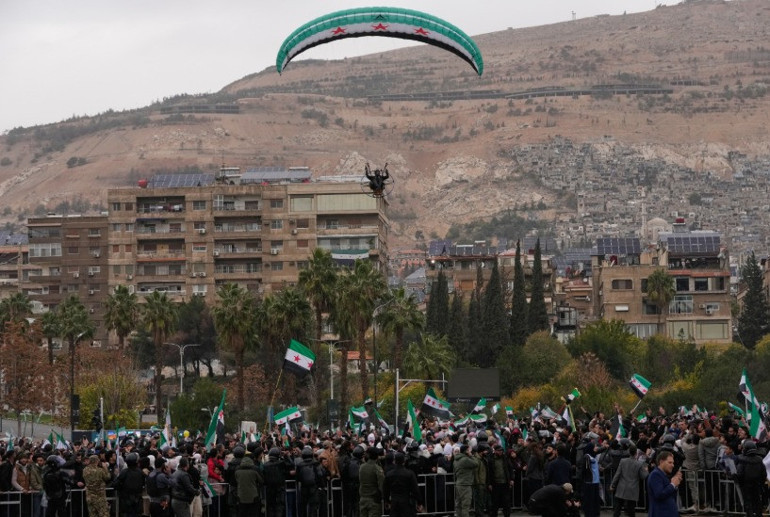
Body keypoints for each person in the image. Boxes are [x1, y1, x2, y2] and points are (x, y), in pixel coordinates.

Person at [610, 444, 648, 517]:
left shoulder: (623, 461)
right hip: (632, 489)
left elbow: (617, 474)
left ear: (629, 452)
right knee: (631, 511)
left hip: (621, 487)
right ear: (636, 453)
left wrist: (612, 485)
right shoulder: (639, 464)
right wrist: (646, 470)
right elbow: (643, 476)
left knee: (617, 509)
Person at [383, 452, 423, 517]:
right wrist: (419, 502)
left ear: (394, 461)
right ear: (404, 461)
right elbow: (415, 489)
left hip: (394, 502)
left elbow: (386, 489)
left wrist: (387, 501)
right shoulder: (409, 474)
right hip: (406, 502)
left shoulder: (389, 474)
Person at [647, 450, 682, 517]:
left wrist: (676, 484)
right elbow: (659, 494)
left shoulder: (663, 474)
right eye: (670, 462)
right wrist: (673, 484)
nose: (672, 465)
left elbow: (669, 494)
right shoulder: (655, 475)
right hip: (661, 513)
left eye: (673, 463)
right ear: (661, 462)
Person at [735, 440, 765, 517]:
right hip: (757, 485)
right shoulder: (759, 460)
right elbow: (763, 474)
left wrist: (740, 483)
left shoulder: (742, 460)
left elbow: (740, 473)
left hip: (746, 485)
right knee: (757, 502)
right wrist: (761, 483)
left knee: (748, 504)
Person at [262, 447, 293, 517]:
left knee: (270, 507)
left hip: (269, 489)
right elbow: (291, 464)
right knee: (279, 506)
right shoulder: (281, 463)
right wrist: (285, 455)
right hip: (280, 489)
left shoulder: (265, 465)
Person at [111, 452, 145, 517]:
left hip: (126, 502)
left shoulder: (125, 472)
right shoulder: (140, 472)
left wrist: (115, 476)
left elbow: (115, 484)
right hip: (136, 501)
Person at [486, 444, 514, 517]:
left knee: (506, 503)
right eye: (499, 451)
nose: (500, 452)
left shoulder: (505, 458)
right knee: (495, 503)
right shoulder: (490, 459)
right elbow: (488, 472)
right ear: (495, 451)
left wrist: (511, 479)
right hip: (495, 484)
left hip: (505, 483)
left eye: (501, 450)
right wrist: (489, 483)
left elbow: (510, 469)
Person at [358, 447, 384, 517]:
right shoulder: (377, 468)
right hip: (373, 500)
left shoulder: (362, 467)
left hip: (363, 498)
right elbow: (381, 485)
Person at [452, 444, 476, 517]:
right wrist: (471, 455)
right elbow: (476, 463)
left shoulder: (456, 460)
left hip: (459, 483)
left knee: (458, 504)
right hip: (465, 484)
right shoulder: (465, 459)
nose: (470, 451)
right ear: (466, 451)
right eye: (468, 450)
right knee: (466, 504)